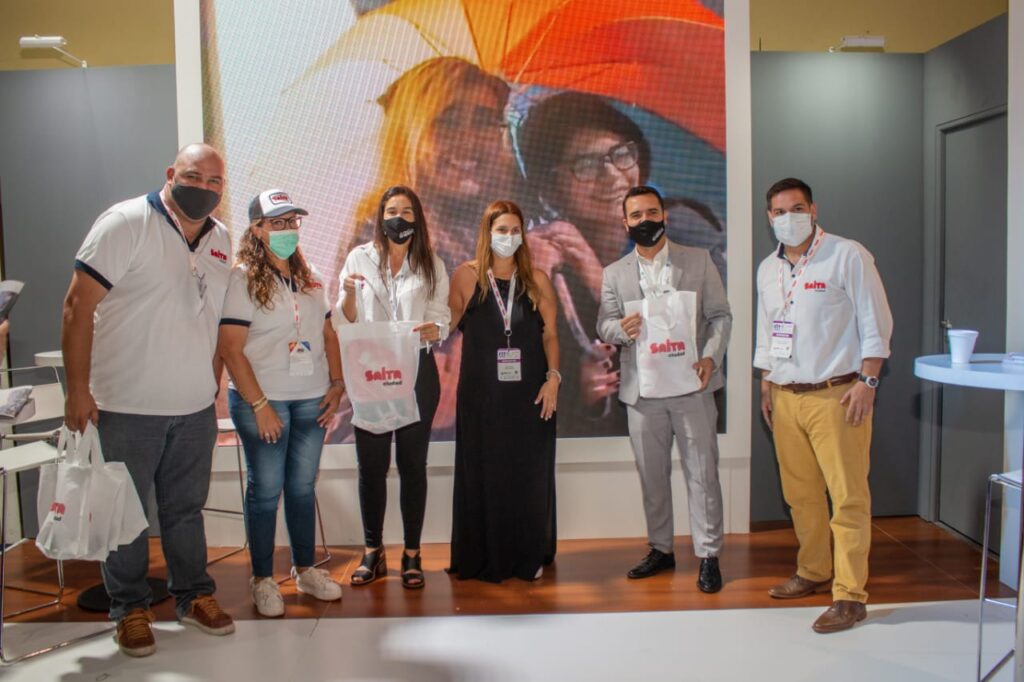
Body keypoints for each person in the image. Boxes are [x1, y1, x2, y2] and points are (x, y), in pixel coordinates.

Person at [61, 144, 235, 657]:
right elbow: (76, 306)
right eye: (193, 177)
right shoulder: (125, 222)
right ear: (170, 174)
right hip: (126, 406)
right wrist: (78, 390)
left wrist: (211, 387)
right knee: (125, 514)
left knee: (185, 511)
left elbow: (214, 320)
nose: (203, 189)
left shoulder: (221, 239)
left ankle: (194, 596)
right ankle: (130, 609)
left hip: (193, 408)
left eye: (215, 182)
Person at [328, 57, 522, 443]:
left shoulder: (498, 223)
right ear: (409, 132)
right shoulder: (383, 233)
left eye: (484, 121)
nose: (469, 140)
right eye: (448, 121)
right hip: (401, 433)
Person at [517, 92, 728, 436]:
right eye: (586, 165)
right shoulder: (555, 266)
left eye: (621, 154)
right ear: (550, 191)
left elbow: (685, 342)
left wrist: (594, 274)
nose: (613, 174)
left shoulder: (685, 229)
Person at [755, 177, 892, 633]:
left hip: (838, 395)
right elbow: (767, 331)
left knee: (847, 496)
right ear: (769, 217)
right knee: (801, 495)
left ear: (813, 210)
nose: (788, 218)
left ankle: (850, 595)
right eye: (779, 211)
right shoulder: (768, 269)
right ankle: (813, 569)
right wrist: (765, 383)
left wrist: (868, 380)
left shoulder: (847, 254)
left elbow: (876, 320)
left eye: (796, 209)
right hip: (786, 395)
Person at [596, 185, 731, 592]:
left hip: (693, 386)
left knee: (703, 473)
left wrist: (711, 357)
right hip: (643, 393)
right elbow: (604, 324)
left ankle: (708, 555)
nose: (645, 221)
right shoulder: (614, 273)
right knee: (652, 476)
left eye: (651, 212)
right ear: (625, 222)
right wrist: (621, 329)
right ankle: (661, 549)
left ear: (663, 215)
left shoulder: (699, 260)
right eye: (636, 215)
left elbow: (720, 316)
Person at [217, 189, 345, 617]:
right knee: (266, 490)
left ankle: (305, 570)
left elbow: (328, 335)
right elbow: (231, 348)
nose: (288, 229)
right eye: (278, 223)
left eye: (293, 222)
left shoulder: (311, 278)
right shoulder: (241, 279)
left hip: (311, 398)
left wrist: (337, 383)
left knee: (303, 487)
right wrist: (259, 405)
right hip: (263, 401)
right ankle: (262, 579)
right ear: (257, 229)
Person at [337, 186, 450, 589]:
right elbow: (345, 320)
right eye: (390, 210)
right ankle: (373, 552)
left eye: (406, 211)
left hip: (417, 370)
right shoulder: (359, 258)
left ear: (417, 218)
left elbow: (441, 316)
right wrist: (349, 294)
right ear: (380, 217)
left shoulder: (432, 263)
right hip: (372, 370)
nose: (398, 218)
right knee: (371, 465)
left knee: (412, 465)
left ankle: (412, 554)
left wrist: (436, 328)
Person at [447, 199, 560, 583]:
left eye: (515, 230)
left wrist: (554, 378)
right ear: (487, 233)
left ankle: (527, 554)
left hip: (530, 397)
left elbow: (551, 335)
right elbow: (448, 321)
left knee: (527, 475)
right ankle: (483, 555)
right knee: (484, 472)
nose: (508, 237)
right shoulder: (466, 276)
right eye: (501, 230)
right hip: (481, 397)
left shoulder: (537, 280)